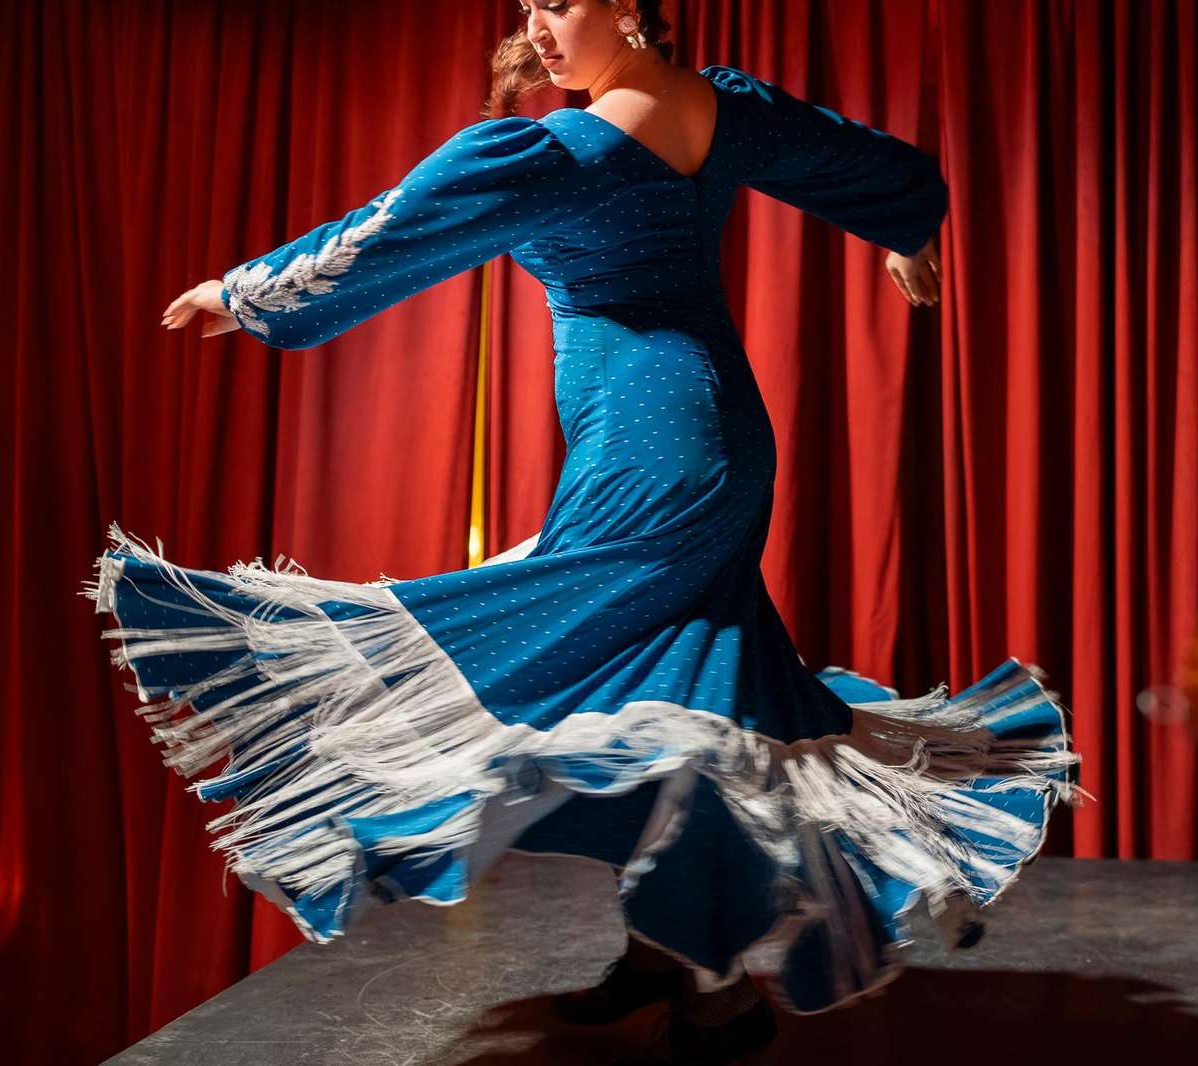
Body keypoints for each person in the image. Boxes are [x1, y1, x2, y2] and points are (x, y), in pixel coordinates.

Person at [91, 2, 1075, 1061]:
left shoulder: (560, 149)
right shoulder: (713, 104)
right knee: (670, 695)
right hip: (705, 432)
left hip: (655, 449)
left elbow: (392, 231)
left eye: (557, 2)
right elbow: (850, 158)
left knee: (654, 689)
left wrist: (240, 293)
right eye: (526, 6)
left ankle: (714, 986)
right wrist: (904, 227)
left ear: (631, 7)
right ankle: (669, 950)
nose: (536, 26)